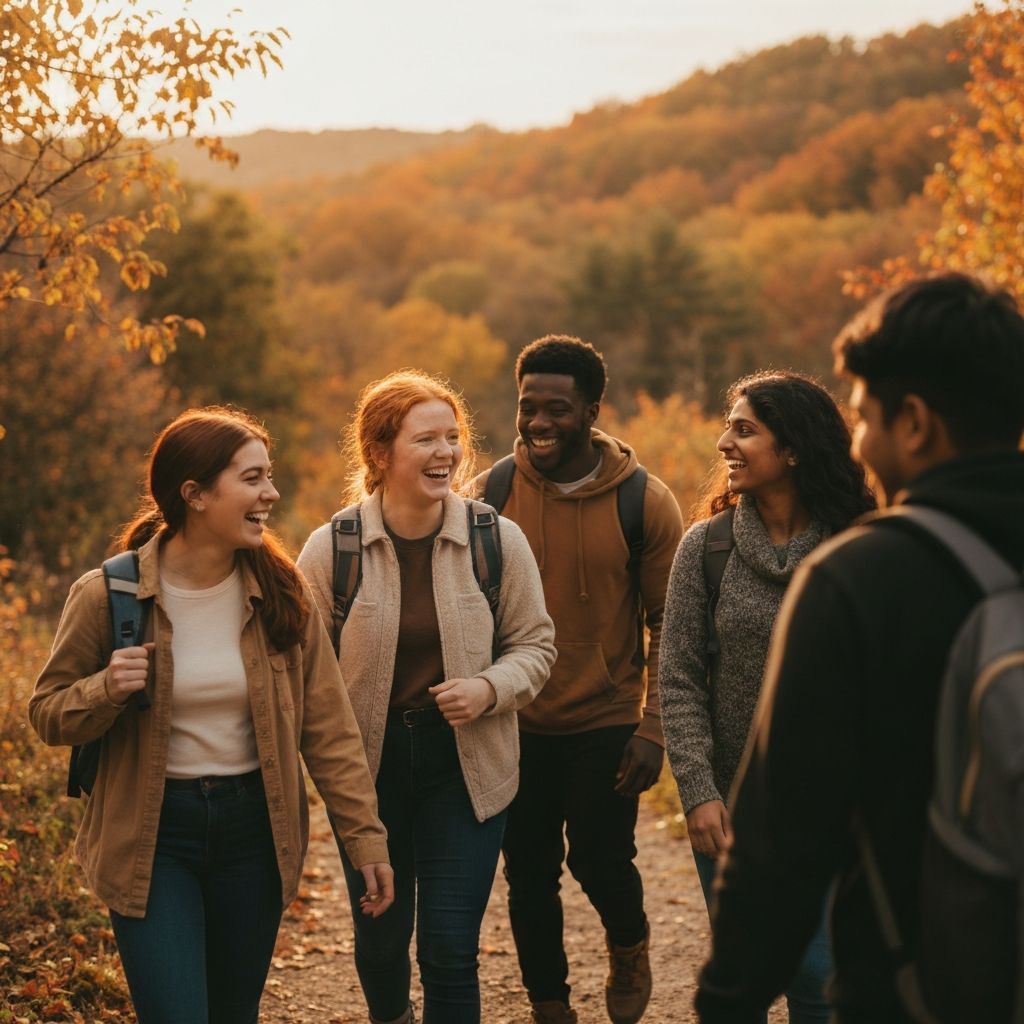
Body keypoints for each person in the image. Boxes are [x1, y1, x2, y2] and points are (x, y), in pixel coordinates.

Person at [694, 272, 1024, 1023]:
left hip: (919, 983)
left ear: (914, 422)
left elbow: (782, 841)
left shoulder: (860, 578)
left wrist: (729, 1002)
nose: (862, 443)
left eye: (867, 418)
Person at [29, 406, 393, 1024]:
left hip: (254, 828)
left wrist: (365, 839)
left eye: (269, 476)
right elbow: (47, 714)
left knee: (232, 1012)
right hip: (152, 833)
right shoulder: (109, 595)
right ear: (194, 494)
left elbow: (328, 731)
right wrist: (106, 688)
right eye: (252, 479)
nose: (270, 494)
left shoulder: (283, 592)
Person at [297, 370, 556, 1024]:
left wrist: (489, 687)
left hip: (465, 769)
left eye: (453, 437)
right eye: (426, 439)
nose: (445, 453)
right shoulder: (335, 549)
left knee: (448, 948)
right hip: (368, 774)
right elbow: (299, 670)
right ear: (380, 453)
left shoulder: (496, 540)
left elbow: (537, 645)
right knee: (383, 942)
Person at [472, 335, 684, 1024]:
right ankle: (549, 1002)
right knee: (528, 871)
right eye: (528, 406)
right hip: (515, 718)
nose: (538, 423)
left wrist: (654, 729)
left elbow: (669, 625)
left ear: (593, 410)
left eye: (557, 409)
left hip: (606, 717)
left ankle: (629, 943)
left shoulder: (645, 503)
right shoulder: (490, 494)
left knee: (598, 858)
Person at [659, 371, 876, 1023]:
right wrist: (698, 791)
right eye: (729, 426)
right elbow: (677, 677)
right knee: (743, 979)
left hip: (837, 808)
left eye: (745, 429)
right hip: (730, 809)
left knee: (819, 978)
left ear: (795, 448)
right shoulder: (707, 549)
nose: (725, 441)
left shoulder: (861, 545)